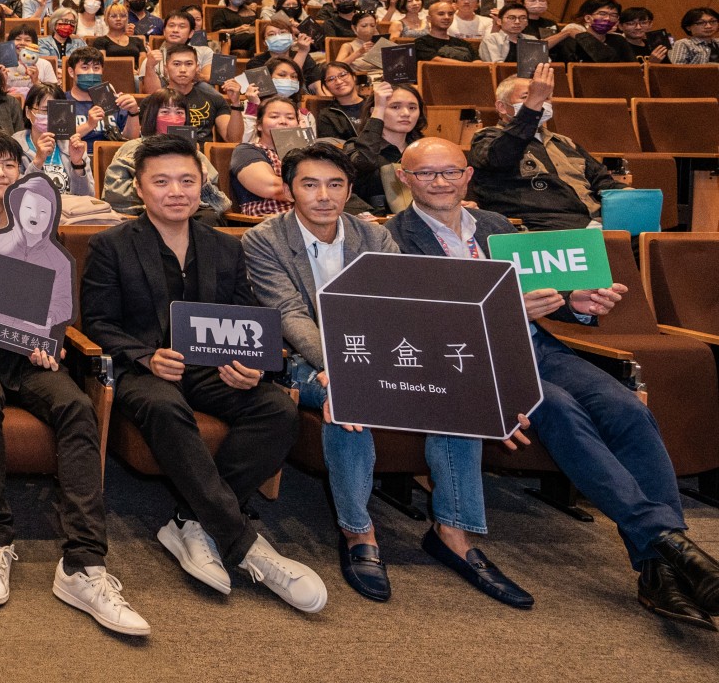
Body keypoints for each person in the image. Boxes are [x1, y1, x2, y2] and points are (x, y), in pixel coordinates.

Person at [392, 137, 719, 628]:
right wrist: (499, 313)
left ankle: (659, 567)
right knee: (561, 408)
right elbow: (412, 325)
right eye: (426, 174)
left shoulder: (499, 227)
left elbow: (537, 293)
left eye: (450, 172)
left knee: (628, 407)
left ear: (468, 175)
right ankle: (673, 545)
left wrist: (574, 305)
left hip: (538, 345)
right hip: (475, 354)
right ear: (404, 178)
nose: (440, 182)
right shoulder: (391, 238)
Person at [244, 144, 532, 607]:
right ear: (290, 190)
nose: (324, 195)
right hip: (303, 361)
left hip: (378, 352)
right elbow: (290, 315)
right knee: (350, 406)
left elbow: (401, 308)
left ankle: (453, 533)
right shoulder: (264, 239)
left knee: (452, 394)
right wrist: (338, 369)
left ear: (350, 190)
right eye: (310, 184)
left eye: (335, 184)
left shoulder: (372, 236)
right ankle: (360, 532)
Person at [0, 131, 148, 631]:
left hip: (27, 358)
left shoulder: (42, 233)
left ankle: (85, 561)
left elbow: (58, 311)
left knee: (77, 406)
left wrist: (52, 342)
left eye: (9, 165)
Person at [81, 134, 323, 612]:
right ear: (139, 187)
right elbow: (99, 323)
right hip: (146, 369)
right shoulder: (111, 245)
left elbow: (248, 317)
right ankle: (243, 541)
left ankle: (192, 520)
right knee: (165, 407)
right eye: (162, 181)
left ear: (202, 185)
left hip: (213, 365)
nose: (177, 191)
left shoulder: (224, 246)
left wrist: (251, 363)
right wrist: (146, 357)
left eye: (187, 180)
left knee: (276, 408)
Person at [468, 65, 622, 230]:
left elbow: (602, 182)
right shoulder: (487, 138)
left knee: (648, 234)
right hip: (540, 227)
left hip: (591, 222)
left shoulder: (564, 142)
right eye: (528, 96)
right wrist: (532, 107)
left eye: (546, 97)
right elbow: (501, 156)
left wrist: (633, 196)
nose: (540, 102)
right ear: (502, 107)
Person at [348, 80, 424, 215]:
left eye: (412, 108)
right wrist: (379, 109)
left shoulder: (424, 148)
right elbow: (364, 162)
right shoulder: (355, 146)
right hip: (376, 225)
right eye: (395, 107)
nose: (406, 113)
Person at [227, 96, 308, 216]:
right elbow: (273, 188)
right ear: (259, 125)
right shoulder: (247, 150)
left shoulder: (307, 154)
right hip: (269, 223)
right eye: (274, 117)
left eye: (290, 118)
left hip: (311, 217)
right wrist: (318, 191)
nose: (283, 121)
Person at [551, 0, 640, 64]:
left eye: (613, 15)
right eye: (602, 13)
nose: (607, 18)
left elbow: (632, 68)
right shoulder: (570, 41)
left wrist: (583, 37)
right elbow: (539, 51)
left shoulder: (619, 40)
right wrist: (567, 32)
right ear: (588, 18)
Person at [313, 62, 367, 139]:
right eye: (331, 79)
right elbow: (332, 147)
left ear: (354, 77)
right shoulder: (327, 116)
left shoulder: (374, 104)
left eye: (343, 75)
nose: (339, 82)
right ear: (326, 86)